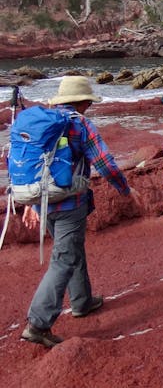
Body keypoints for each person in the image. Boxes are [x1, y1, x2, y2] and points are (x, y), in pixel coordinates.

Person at [21, 76, 140, 348]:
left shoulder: (44, 123)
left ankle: (82, 301)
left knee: (70, 248)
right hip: (69, 203)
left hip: (43, 200)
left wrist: (31, 203)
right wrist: (126, 189)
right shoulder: (80, 123)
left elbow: (32, 165)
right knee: (63, 257)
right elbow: (104, 163)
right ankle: (38, 324)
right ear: (84, 102)